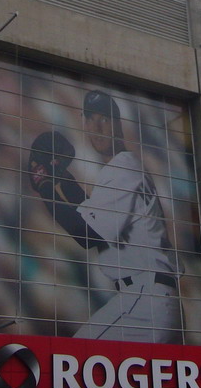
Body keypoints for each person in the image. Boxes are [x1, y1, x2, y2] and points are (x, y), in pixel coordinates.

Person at [28, 89, 182, 342]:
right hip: (147, 296)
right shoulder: (122, 167)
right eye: (91, 119)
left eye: (105, 119)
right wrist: (64, 180)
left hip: (145, 299)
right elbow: (91, 216)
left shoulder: (122, 169)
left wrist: (46, 188)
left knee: (71, 359)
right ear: (85, 124)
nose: (97, 127)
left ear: (117, 124)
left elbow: (86, 235)